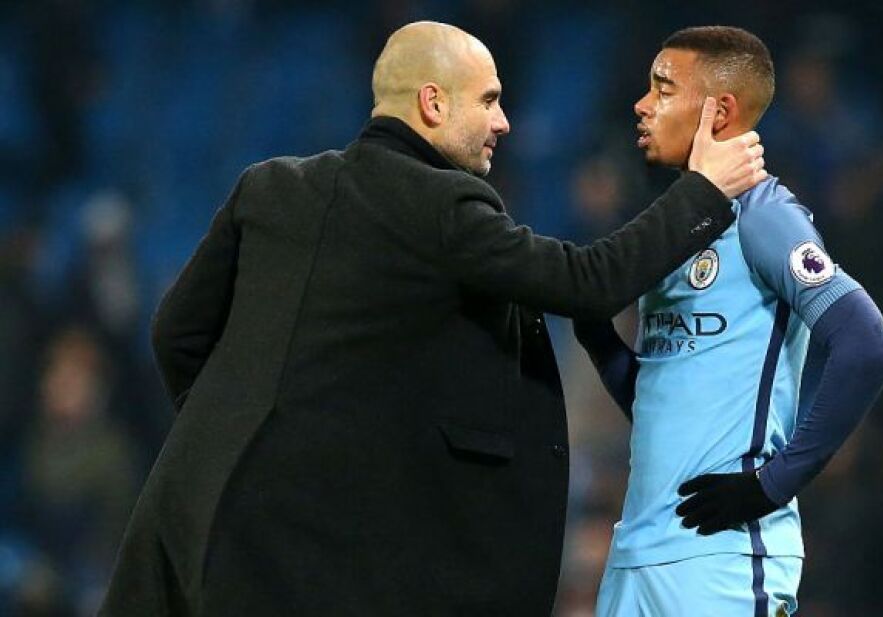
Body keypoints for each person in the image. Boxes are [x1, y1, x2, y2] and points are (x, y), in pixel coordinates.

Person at [98, 21, 770, 617]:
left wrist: (236, 434)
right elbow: (588, 282)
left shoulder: (268, 187)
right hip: (309, 562)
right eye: (489, 100)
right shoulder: (440, 206)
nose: (504, 121)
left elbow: (176, 333)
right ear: (432, 103)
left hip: (188, 531)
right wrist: (703, 191)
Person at [573, 26, 883, 616]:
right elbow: (668, 402)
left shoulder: (764, 216)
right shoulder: (676, 227)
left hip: (724, 556)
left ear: (719, 112)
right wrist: (601, 343)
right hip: (639, 548)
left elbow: (867, 344)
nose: (642, 105)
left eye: (663, 89)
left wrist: (773, 484)